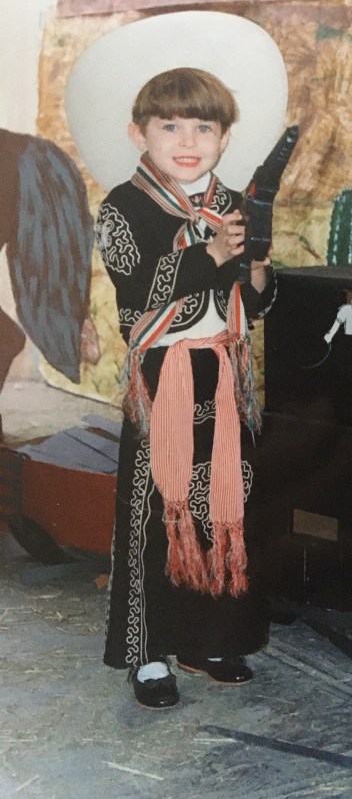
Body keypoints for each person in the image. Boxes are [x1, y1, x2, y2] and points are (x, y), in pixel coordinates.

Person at [95, 66, 277, 709]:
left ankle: (210, 639)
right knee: (155, 509)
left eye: (204, 126)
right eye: (170, 126)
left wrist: (258, 272)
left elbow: (254, 302)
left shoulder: (236, 204)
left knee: (224, 502)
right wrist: (214, 255)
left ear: (225, 137)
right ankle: (146, 653)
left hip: (224, 374)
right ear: (139, 133)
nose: (188, 140)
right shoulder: (123, 207)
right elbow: (136, 287)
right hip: (162, 375)